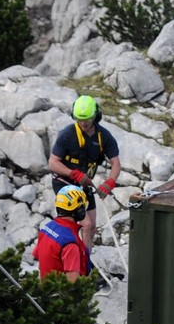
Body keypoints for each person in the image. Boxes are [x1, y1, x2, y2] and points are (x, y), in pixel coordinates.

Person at [48, 94, 121, 252]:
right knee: (85, 224)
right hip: (64, 182)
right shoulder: (67, 134)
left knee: (92, 226)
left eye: (87, 119)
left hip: (84, 184)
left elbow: (115, 163)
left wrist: (110, 182)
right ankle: (75, 258)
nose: (83, 123)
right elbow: (53, 163)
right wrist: (74, 174)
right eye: (79, 119)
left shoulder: (104, 136)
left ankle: (85, 261)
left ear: (95, 116)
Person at [34, 185, 92, 282]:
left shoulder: (47, 228)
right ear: (79, 210)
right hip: (61, 294)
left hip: (46, 289)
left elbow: (38, 255)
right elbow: (73, 281)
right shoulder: (70, 243)